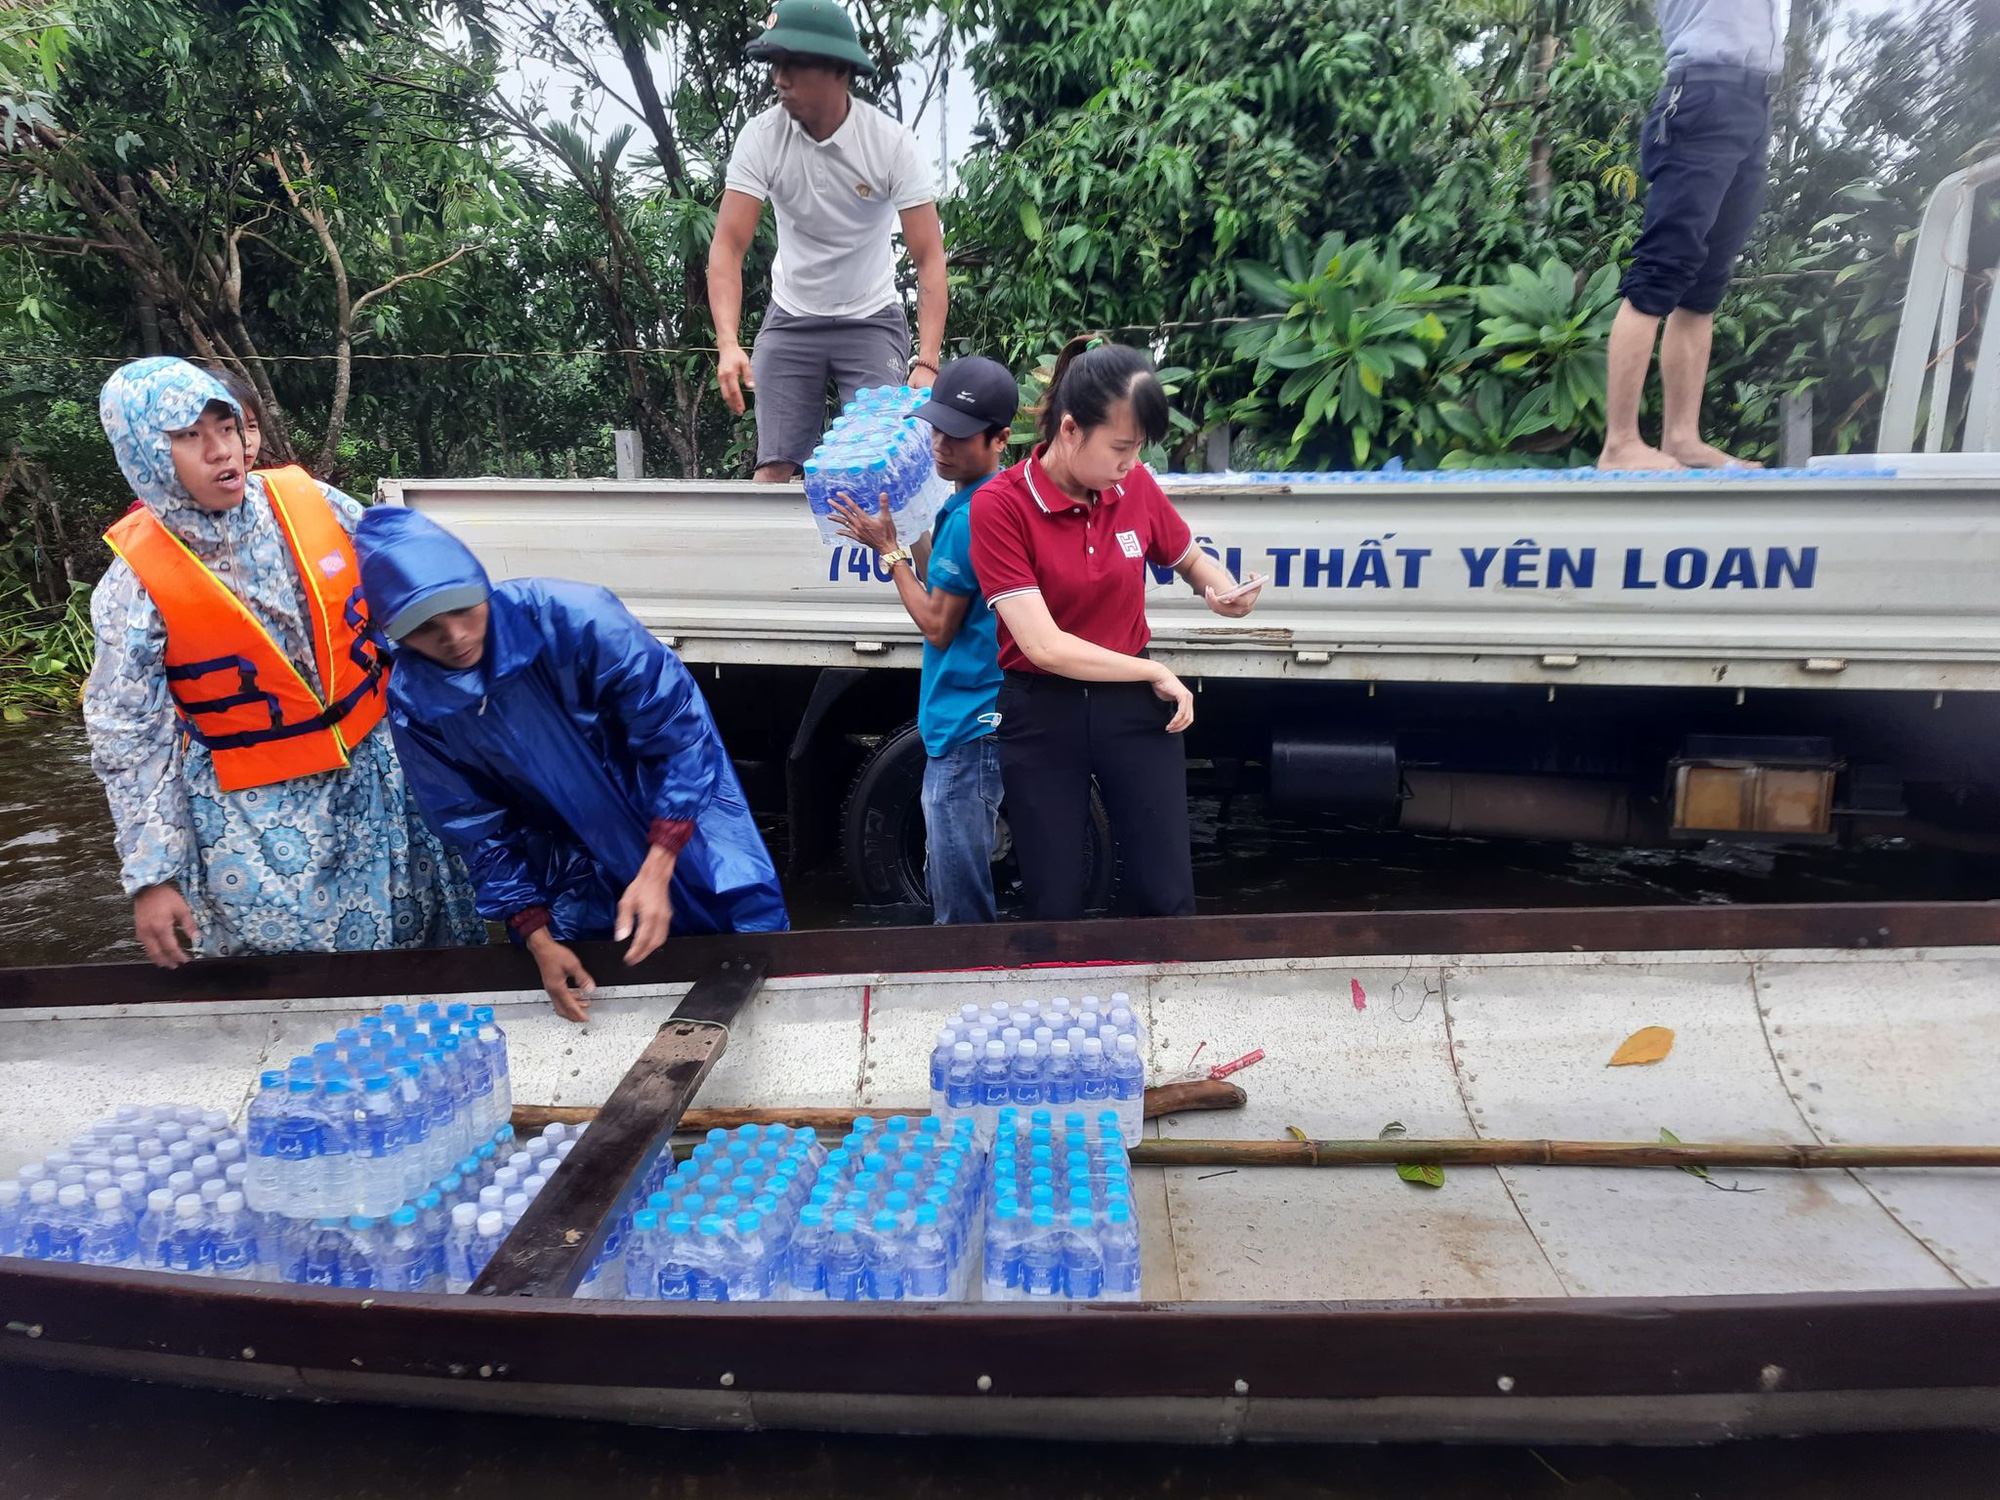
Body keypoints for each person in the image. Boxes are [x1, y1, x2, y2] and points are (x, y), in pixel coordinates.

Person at [85, 357, 484, 966]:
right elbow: (129, 740)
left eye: (226, 427)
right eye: (189, 436)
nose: (222, 451)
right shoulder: (132, 588)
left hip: (378, 770)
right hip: (255, 817)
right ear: (143, 451)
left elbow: (411, 574)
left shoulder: (311, 502)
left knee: (427, 943)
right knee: (301, 973)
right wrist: (152, 875)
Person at [354, 507, 789, 1021]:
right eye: (424, 628)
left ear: (480, 586)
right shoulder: (417, 703)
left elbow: (679, 737)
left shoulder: (577, 618)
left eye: (463, 608)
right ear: (394, 634)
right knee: (609, 975)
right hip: (570, 854)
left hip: (675, 814)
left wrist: (658, 864)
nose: (453, 635)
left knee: (747, 946)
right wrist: (536, 935)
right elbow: (474, 828)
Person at [969, 338, 1262, 922]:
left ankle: (1164, 1005)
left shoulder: (1133, 487)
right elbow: (1043, 645)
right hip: (1042, 709)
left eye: (1138, 449)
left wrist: (1219, 588)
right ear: (1071, 430)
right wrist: (1153, 669)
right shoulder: (1000, 507)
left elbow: (1188, 556)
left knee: (1166, 889)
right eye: (1121, 448)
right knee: (1055, 896)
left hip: (1130, 709)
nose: (1131, 464)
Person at [707, 0, 947, 482]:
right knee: (773, 467)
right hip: (792, 316)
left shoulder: (889, 144)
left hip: (870, 317)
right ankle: (769, 559)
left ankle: (899, 561)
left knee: (878, 468)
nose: (780, 78)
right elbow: (728, 246)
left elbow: (929, 256)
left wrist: (928, 361)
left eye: (793, 64)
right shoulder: (762, 138)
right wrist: (729, 343)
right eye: (775, 65)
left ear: (839, 70)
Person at [830, 356, 1018, 924]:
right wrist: (910, 532)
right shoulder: (979, 500)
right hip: (974, 715)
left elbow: (938, 623)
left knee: (959, 905)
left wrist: (887, 551)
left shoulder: (971, 515)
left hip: (966, 723)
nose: (940, 445)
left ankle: (967, 990)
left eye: (957, 437)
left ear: (999, 440)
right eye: (935, 429)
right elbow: (946, 580)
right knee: (954, 878)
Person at [1599, 1, 1787, 470]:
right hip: (1703, 94)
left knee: (1705, 285)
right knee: (1663, 268)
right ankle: (1619, 443)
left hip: (1754, 106)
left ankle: (1682, 437)